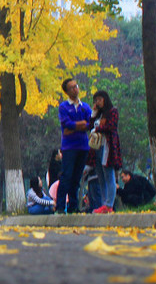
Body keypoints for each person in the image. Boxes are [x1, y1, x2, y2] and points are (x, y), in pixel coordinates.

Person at [56, 77, 92, 214]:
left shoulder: (85, 107)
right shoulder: (64, 107)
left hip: (83, 146)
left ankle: (73, 205)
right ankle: (60, 206)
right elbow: (66, 124)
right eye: (71, 87)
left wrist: (77, 126)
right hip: (69, 147)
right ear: (66, 91)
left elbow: (90, 122)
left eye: (76, 86)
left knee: (77, 177)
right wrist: (80, 125)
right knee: (67, 176)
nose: (75, 89)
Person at [87, 90, 122, 213]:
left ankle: (109, 204)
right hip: (97, 148)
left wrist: (98, 129)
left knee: (109, 175)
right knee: (100, 177)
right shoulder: (99, 115)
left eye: (100, 99)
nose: (98, 102)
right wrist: (94, 113)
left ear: (105, 99)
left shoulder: (113, 112)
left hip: (108, 147)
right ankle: (104, 203)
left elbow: (111, 126)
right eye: (96, 100)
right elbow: (89, 126)